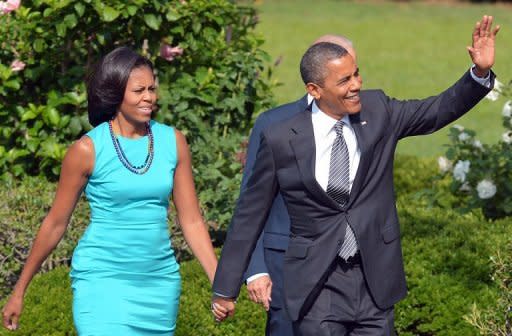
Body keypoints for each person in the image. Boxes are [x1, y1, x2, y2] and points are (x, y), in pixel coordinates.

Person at [211, 15, 499, 335]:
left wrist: (479, 74)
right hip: (316, 285)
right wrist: (225, 288)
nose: (356, 85)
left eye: (356, 74)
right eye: (344, 81)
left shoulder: (378, 111)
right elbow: (250, 213)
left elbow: (436, 110)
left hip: (373, 280)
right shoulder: (282, 137)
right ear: (314, 89)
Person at [1, 46, 218, 335]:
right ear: (116, 94)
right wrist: (19, 290)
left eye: (152, 88)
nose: (149, 97)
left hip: (158, 284)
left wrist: (220, 281)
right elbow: (55, 223)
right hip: (102, 280)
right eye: (138, 90)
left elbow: (191, 220)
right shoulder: (86, 150)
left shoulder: (173, 141)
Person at [242, 35, 356, 336]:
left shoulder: (367, 121)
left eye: (355, 71)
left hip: (354, 274)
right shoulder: (274, 123)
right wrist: (255, 268)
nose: (355, 82)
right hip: (287, 269)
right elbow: (251, 203)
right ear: (316, 80)